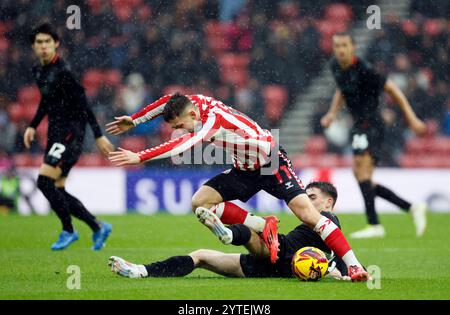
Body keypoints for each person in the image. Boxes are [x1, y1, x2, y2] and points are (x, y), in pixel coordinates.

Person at [107, 93, 368, 281]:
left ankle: (355, 266)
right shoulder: (191, 103)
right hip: (244, 169)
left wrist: (140, 156)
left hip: (270, 163)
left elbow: (181, 146)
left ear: (192, 116)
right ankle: (261, 225)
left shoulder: (210, 121)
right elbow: (166, 102)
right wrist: (135, 119)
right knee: (200, 202)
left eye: (179, 126)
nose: (178, 130)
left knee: (309, 215)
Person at [108, 181, 350, 281]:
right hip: (272, 268)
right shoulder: (322, 226)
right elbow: (338, 256)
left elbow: (338, 250)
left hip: (281, 252)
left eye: (313, 198)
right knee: (201, 255)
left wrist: (342, 268)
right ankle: (140, 270)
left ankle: (229, 234)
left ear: (328, 203)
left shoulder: (328, 219)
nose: (307, 203)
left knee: (254, 231)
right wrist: (339, 270)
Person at [321, 32, 428, 239]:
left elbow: (393, 90)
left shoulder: (364, 69)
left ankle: (375, 224)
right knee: (363, 177)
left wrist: (412, 119)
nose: (340, 50)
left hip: (372, 125)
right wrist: (332, 113)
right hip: (359, 125)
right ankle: (411, 207)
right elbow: (341, 90)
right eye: (337, 46)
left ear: (352, 47)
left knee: (361, 173)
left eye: (344, 45)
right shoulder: (335, 66)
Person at [24, 23, 114, 250]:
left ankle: (68, 230)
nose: (43, 46)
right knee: (58, 189)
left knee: (44, 182)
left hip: (70, 133)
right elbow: (46, 100)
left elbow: (84, 103)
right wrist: (33, 125)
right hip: (55, 133)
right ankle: (97, 226)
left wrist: (98, 135)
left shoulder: (64, 71)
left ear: (55, 44)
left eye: (47, 42)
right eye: (39, 42)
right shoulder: (38, 70)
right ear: (34, 46)